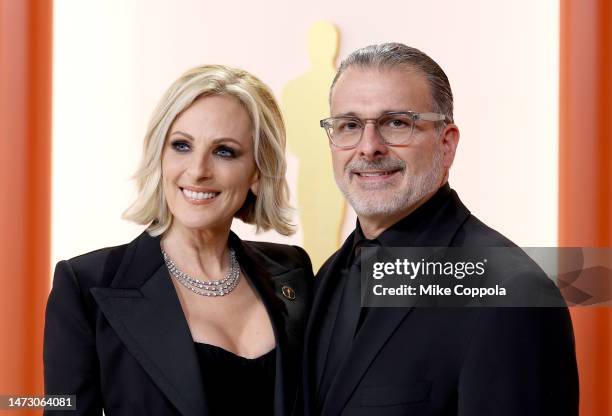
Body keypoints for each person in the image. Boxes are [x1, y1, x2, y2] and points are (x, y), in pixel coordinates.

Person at [303, 43, 579, 415]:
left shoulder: (511, 294)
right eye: (350, 125)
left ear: (446, 144)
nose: (368, 147)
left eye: (397, 123)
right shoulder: (325, 278)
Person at [44, 65, 313, 416]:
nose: (198, 170)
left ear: (257, 171)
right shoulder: (86, 286)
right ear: (160, 156)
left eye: (225, 151)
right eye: (182, 146)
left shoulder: (293, 270)